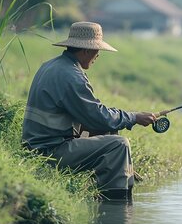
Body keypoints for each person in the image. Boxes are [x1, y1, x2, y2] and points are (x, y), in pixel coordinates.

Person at [22, 21, 157, 200]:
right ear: (85, 50)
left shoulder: (51, 66)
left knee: (109, 132)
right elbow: (98, 116)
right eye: (96, 51)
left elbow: (93, 116)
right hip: (47, 153)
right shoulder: (71, 76)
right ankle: (117, 204)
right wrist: (134, 117)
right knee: (119, 144)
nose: (98, 55)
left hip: (33, 146)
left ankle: (114, 180)